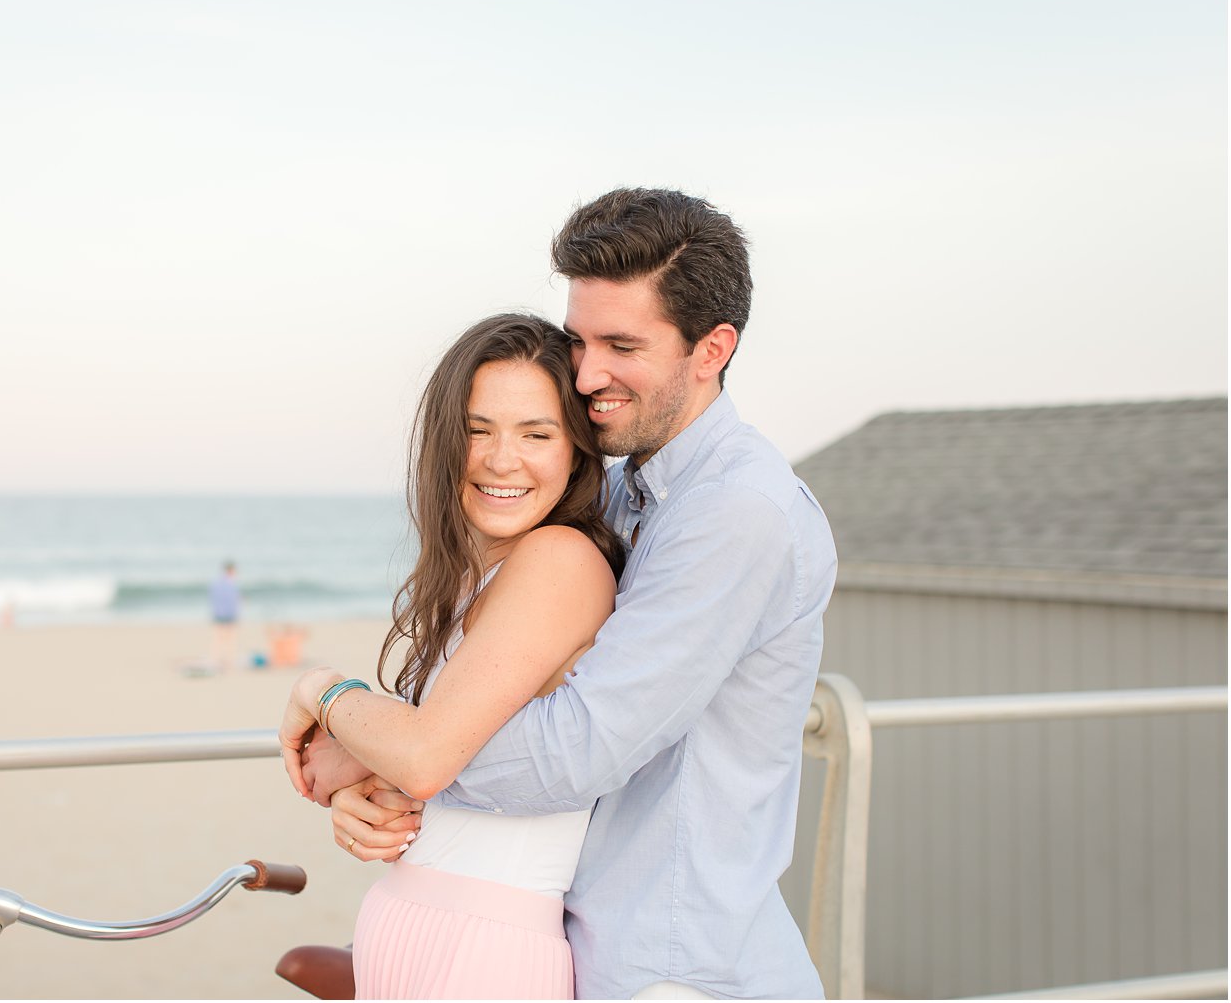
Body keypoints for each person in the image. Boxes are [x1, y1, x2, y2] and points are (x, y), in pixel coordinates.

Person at [303, 188, 838, 999]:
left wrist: (370, 729)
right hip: (589, 948)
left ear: (711, 349)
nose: (586, 374)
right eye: (580, 339)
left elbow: (574, 750)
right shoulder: (622, 488)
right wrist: (378, 771)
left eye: (620, 344)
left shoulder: (737, 513)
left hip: (676, 969)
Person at [279, 312, 625, 999]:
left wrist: (321, 687)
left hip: (487, 948)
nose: (502, 458)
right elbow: (441, 757)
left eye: (537, 433)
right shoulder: (476, 575)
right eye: (477, 429)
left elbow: (427, 756)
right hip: (406, 919)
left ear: (577, 451)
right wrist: (360, 796)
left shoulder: (562, 559)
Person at [208, 561, 241, 674]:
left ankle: (216, 659)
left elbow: (213, 599)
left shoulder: (216, 583)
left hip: (218, 613)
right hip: (228, 614)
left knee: (218, 637)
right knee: (230, 638)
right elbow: (232, 601)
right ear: (231, 571)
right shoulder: (231, 583)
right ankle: (229, 660)